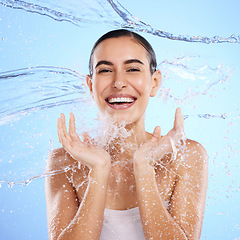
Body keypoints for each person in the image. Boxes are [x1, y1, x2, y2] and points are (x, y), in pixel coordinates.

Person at [45, 29, 208, 240]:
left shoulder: (185, 156)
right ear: (90, 85)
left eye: (132, 69)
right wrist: (99, 169)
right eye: (105, 71)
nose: (118, 82)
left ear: (154, 82)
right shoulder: (64, 161)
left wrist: (144, 169)